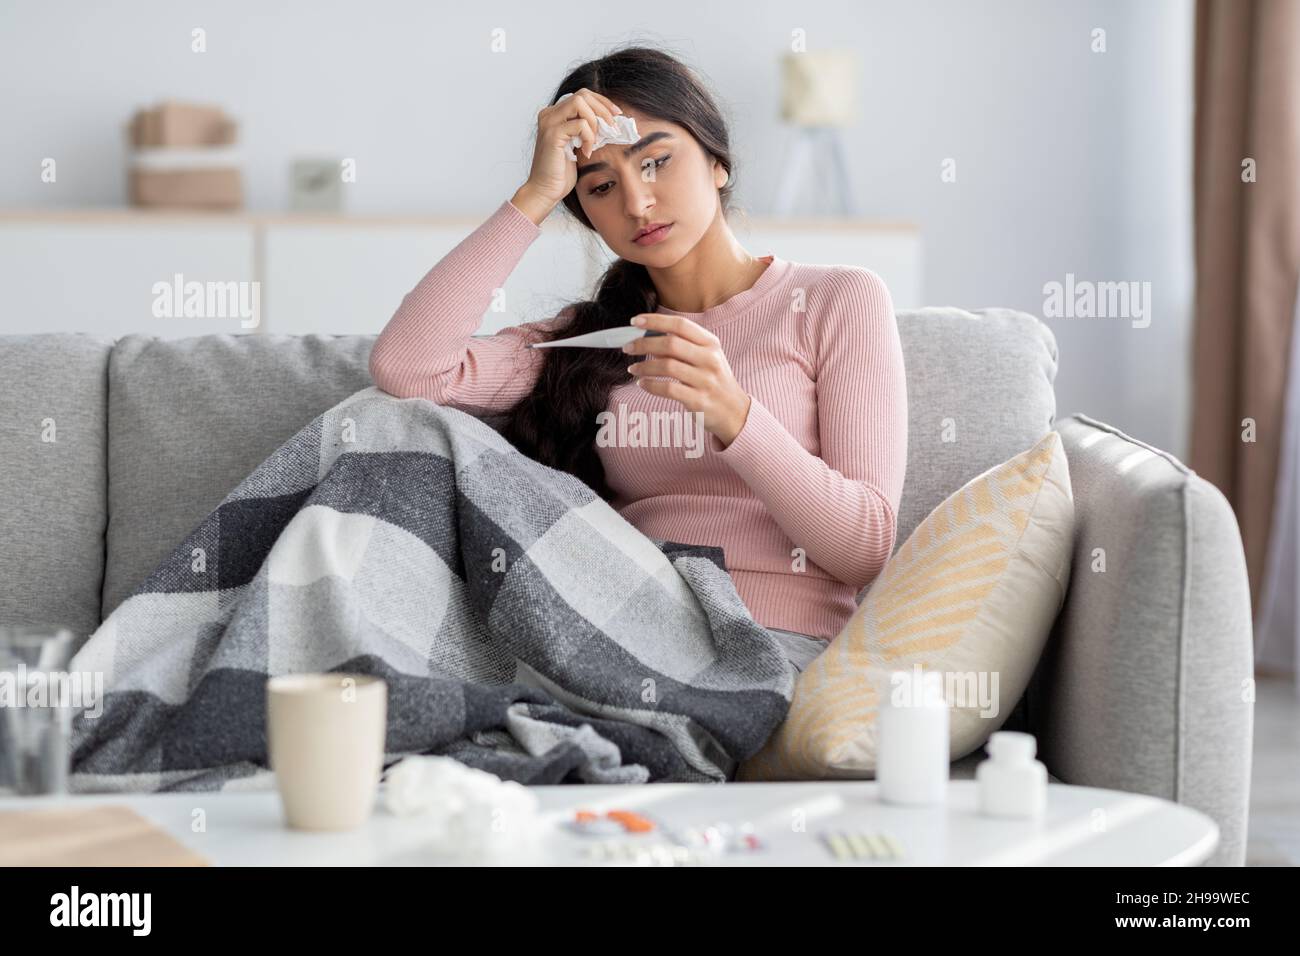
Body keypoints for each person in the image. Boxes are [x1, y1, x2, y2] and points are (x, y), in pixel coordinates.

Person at [369, 46, 908, 671]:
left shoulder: (836, 299)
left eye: (656, 161)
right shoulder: (591, 341)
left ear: (717, 163)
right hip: (621, 629)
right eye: (601, 186)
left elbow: (864, 548)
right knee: (383, 426)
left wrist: (734, 414)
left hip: (771, 642)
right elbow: (409, 369)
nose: (637, 202)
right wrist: (536, 194)